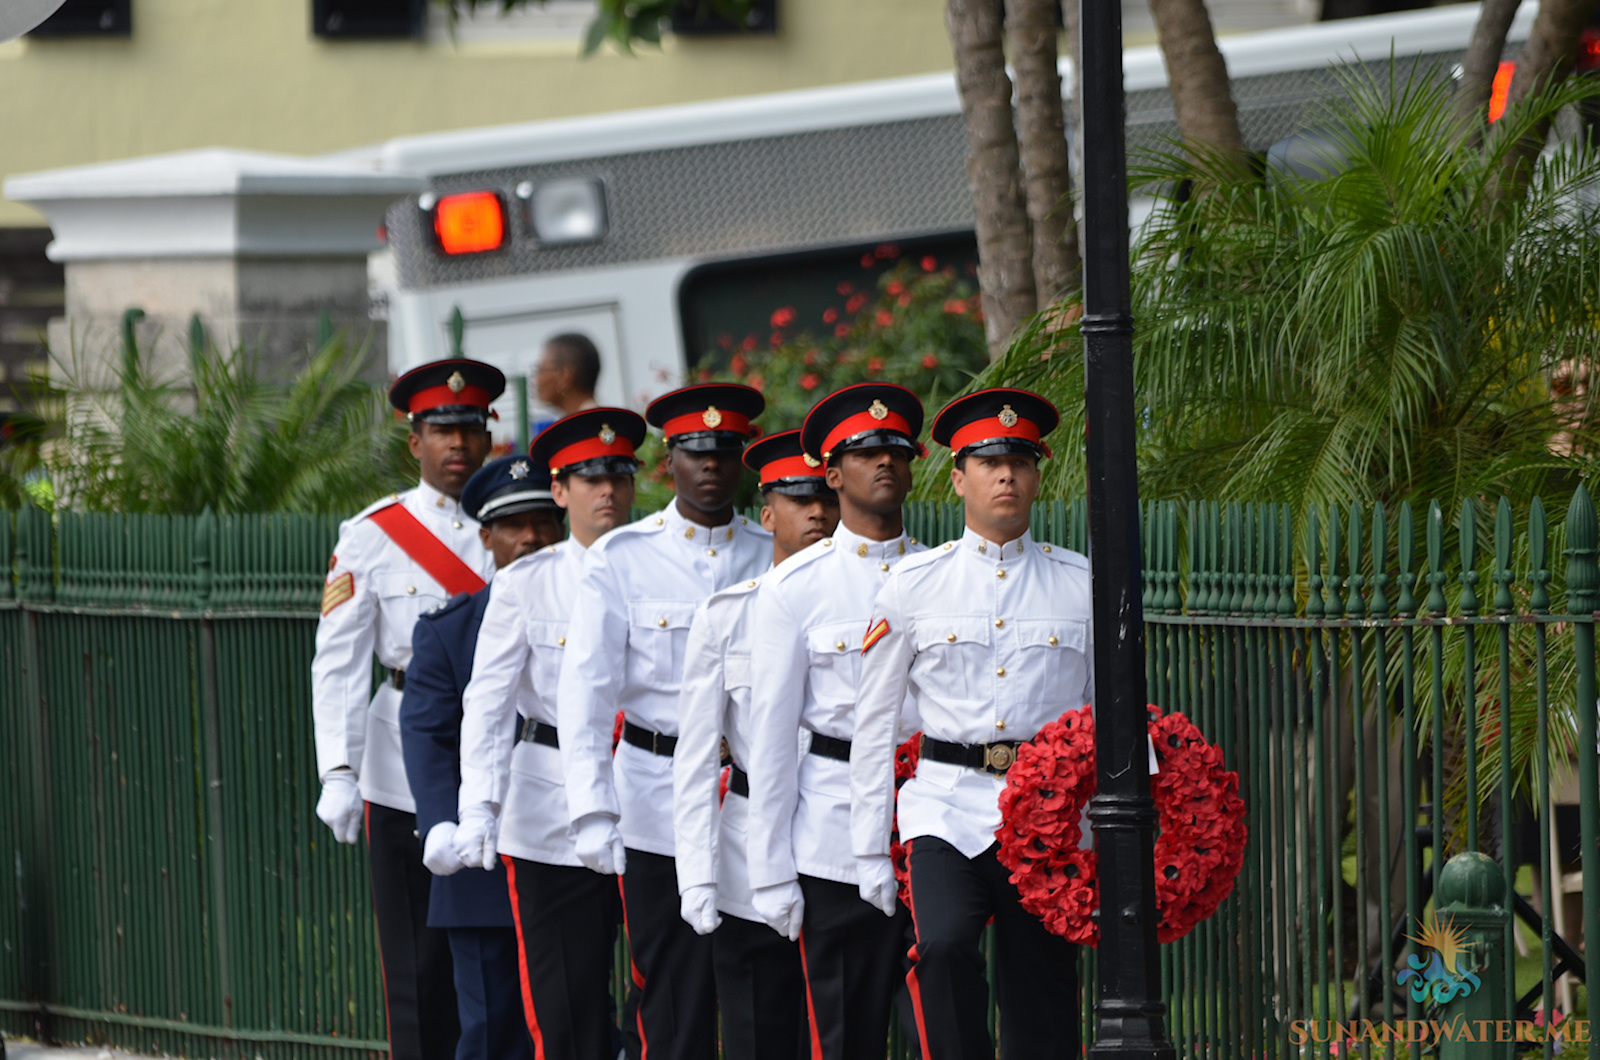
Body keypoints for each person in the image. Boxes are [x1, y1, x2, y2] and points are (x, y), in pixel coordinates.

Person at [849, 389, 1086, 1060]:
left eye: (1019, 460)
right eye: (987, 462)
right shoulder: (913, 585)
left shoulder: (1080, 585)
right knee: (944, 947)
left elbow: (1107, 717)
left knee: (1040, 981)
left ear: (1038, 475)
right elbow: (874, 725)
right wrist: (870, 848)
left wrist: (1104, 831)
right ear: (958, 478)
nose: (1005, 474)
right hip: (946, 810)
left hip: (1048, 817)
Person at [557, 383, 771, 1060]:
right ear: (668, 461)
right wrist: (592, 808)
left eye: (724, 451)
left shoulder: (775, 557)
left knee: (757, 985)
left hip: (749, 796)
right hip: (653, 798)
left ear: (743, 461)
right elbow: (585, 693)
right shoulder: (622, 559)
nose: (710, 465)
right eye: (694, 452)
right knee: (672, 993)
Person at [311, 358, 504, 1060]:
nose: (456, 444)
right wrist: (338, 767)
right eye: (440, 430)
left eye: (469, 429)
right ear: (413, 441)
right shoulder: (372, 534)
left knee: (506, 959)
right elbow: (338, 659)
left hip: (509, 758)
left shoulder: (522, 521)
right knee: (418, 961)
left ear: (489, 437)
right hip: (400, 767)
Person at [454, 408, 647, 1060]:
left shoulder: (666, 567)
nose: (608, 490)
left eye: (619, 474)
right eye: (589, 477)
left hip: (654, 795)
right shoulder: (525, 584)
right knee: (566, 1003)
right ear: (561, 491)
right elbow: (488, 700)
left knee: (666, 986)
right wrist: (479, 802)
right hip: (550, 808)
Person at [746, 383, 928, 1060]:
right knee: (845, 1030)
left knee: (939, 1021)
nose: (884, 462)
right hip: (829, 835)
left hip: (931, 824)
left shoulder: (940, 573)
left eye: (897, 451)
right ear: (831, 473)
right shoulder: (794, 587)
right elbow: (769, 737)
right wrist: (770, 869)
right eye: (865, 451)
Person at [672, 430, 839, 1060]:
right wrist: (696, 874)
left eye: (826, 495)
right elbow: (693, 761)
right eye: (799, 499)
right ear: (767, 513)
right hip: (745, 850)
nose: (818, 511)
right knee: (754, 1030)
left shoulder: (875, 603)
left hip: (837, 839)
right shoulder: (726, 614)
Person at [399, 455, 565, 1060]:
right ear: (486, 536)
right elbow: (427, 734)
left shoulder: (595, 613)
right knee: (493, 1027)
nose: (531, 538)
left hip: (570, 849)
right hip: (484, 855)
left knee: (574, 1017)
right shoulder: (449, 630)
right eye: (514, 525)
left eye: (544, 521)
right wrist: (445, 820)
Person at [535, 334, 602, 420]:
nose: (536, 380)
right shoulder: (603, 421)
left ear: (564, 375)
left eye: (540, 370)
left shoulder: (588, 425)